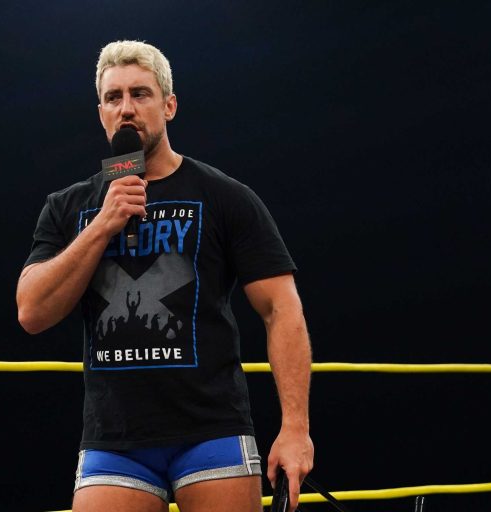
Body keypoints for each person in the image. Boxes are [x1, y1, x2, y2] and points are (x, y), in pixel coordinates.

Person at [17, 40, 313, 512]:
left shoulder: (224, 196)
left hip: (212, 428)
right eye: (113, 97)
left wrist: (296, 429)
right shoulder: (69, 206)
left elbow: (282, 307)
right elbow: (32, 312)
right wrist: (103, 225)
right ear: (101, 113)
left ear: (169, 105)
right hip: (115, 438)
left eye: (140, 94)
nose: (126, 108)